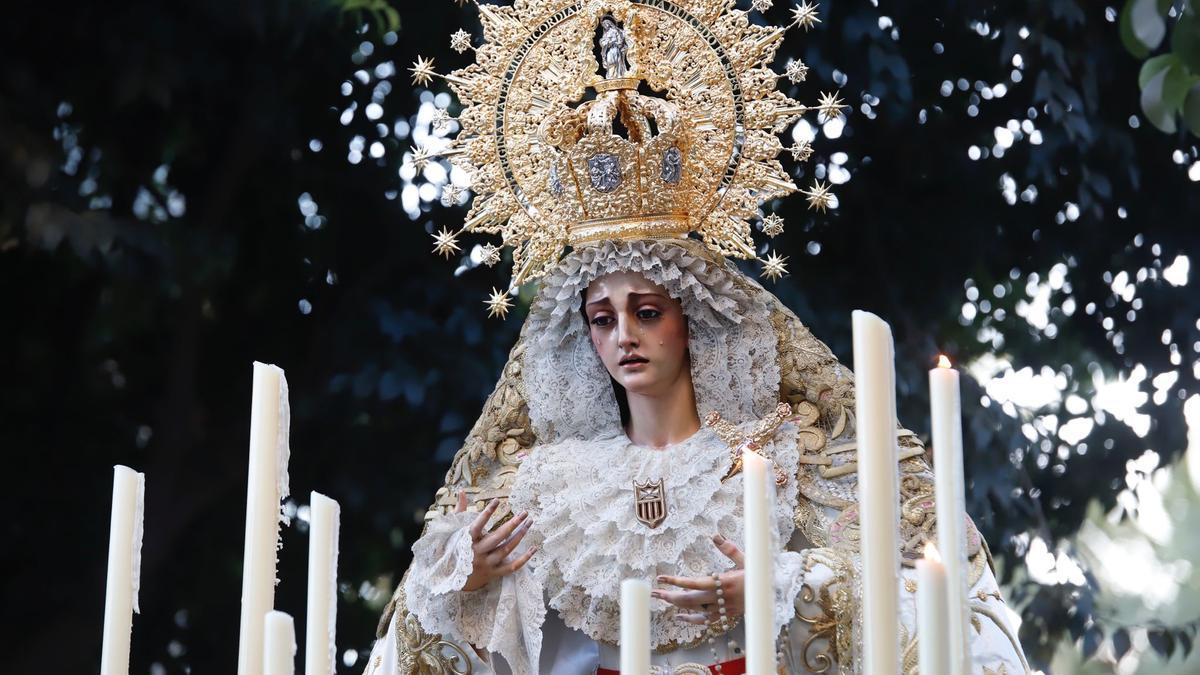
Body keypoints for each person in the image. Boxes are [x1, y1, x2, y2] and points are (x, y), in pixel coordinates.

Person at [372, 2, 1031, 673]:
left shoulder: (786, 457)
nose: (624, 334)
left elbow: (942, 602)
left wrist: (789, 589)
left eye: (648, 311)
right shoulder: (545, 490)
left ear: (694, 318)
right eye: (603, 318)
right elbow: (433, 647)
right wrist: (466, 583)